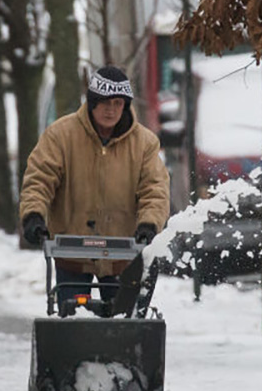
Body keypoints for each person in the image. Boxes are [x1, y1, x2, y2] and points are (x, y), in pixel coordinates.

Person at [19, 65, 170, 302]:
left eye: (118, 103)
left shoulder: (145, 144)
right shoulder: (60, 135)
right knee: (73, 324)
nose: (111, 110)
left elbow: (155, 190)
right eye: (104, 102)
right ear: (92, 102)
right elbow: (39, 180)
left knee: (123, 327)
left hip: (124, 254)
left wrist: (149, 224)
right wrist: (33, 215)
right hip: (72, 253)